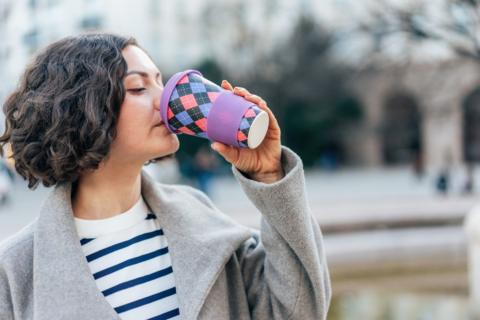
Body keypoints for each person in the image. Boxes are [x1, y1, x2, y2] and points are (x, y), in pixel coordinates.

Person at [0, 33, 331, 319]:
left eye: (160, 81)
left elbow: (298, 311)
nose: (165, 100)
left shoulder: (200, 219)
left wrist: (270, 175)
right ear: (82, 112)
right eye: (138, 88)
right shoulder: (15, 271)